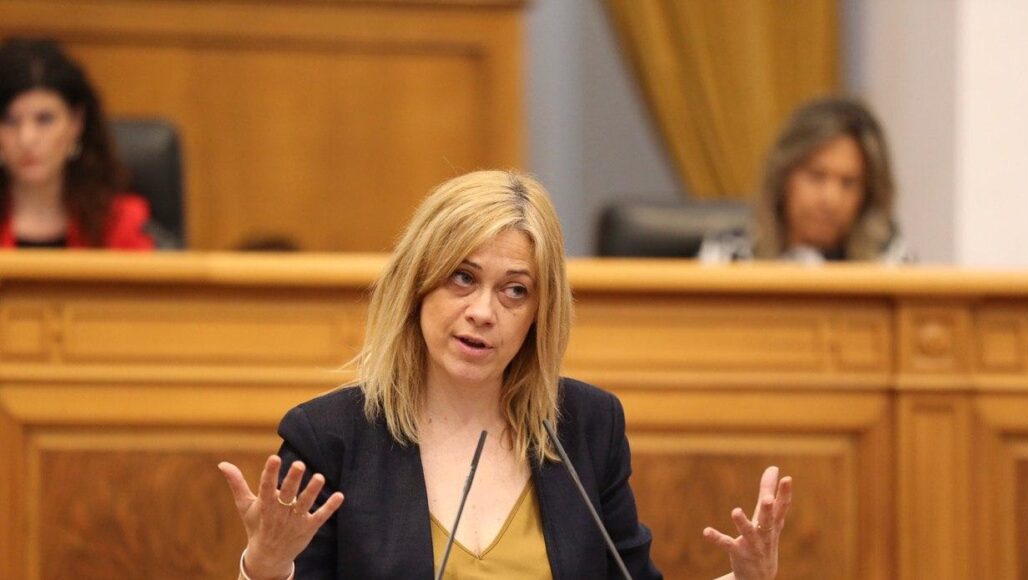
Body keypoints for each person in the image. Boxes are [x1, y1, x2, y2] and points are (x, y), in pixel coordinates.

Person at [219, 170, 792, 580]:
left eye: (515, 290)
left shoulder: (585, 427)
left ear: (540, 314)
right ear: (417, 285)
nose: (484, 312)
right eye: (462, 278)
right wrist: (266, 566)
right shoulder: (330, 438)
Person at [698, 96, 909, 264]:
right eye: (816, 176)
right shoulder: (729, 257)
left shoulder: (888, 262)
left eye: (848, 183)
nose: (830, 199)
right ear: (783, 175)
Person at [0, 38, 154, 249]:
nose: (27, 139)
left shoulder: (119, 223)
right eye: (10, 121)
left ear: (76, 122)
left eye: (44, 119)